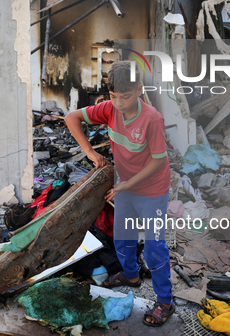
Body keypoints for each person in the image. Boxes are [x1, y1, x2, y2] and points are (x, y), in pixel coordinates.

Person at [65, 61, 174, 327]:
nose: (119, 103)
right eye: (114, 97)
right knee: (122, 237)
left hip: (152, 190)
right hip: (124, 185)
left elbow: (158, 161)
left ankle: (165, 301)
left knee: (154, 247)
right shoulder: (109, 109)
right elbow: (71, 117)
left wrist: (126, 185)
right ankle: (131, 276)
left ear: (139, 90)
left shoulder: (152, 119)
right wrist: (90, 152)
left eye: (125, 96)